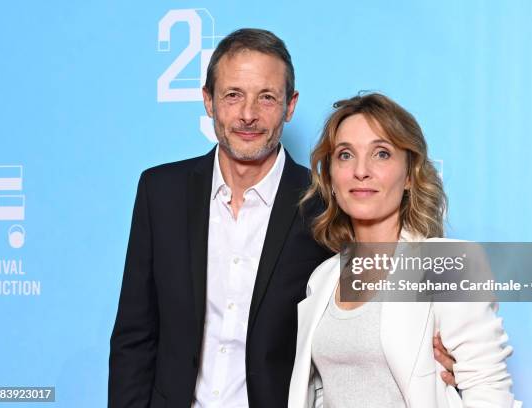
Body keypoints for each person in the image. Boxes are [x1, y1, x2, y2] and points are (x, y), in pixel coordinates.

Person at [109, 29, 456, 408]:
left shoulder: (325, 206)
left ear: (290, 105)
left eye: (267, 98)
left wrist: (437, 351)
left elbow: (369, 313)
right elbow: (135, 336)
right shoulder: (161, 192)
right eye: (233, 95)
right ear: (208, 101)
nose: (248, 114)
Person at [288, 93, 518, 407]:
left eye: (381, 154)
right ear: (330, 175)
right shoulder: (323, 278)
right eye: (345, 155)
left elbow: (488, 390)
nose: (361, 170)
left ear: (409, 175)